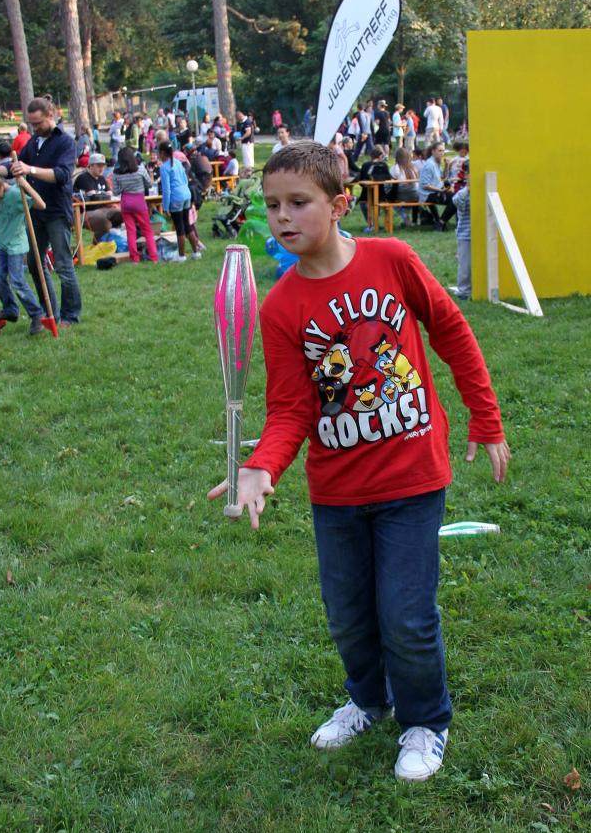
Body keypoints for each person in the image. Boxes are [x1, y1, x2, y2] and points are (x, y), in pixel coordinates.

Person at [208, 140, 510, 783]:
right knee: (348, 617)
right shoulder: (280, 306)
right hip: (338, 492)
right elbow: (291, 408)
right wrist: (261, 466)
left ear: (340, 204)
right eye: (272, 205)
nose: (283, 216)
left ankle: (425, 721)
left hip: (412, 478)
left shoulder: (393, 259)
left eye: (298, 202)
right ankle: (369, 701)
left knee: (406, 616)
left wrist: (485, 417)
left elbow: (452, 332)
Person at [0, 96, 82, 326]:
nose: (35, 128)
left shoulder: (65, 143)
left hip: (56, 211)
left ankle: (70, 315)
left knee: (63, 265)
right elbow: (14, 168)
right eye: (32, 124)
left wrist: (30, 169)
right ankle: (49, 311)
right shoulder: (34, 142)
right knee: (34, 264)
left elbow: (62, 175)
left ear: (50, 116)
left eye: (38, 123)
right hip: (35, 211)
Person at [0, 170, 46, 334]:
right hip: (1, 243)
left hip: (15, 244)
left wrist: (25, 185)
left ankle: (36, 314)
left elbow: (41, 205)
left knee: (17, 280)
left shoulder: (14, 194)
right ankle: (11, 309)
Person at [112, 146, 158, 263]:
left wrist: (124, 187)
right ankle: (154, 257)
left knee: (130, 231)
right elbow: (149, 184)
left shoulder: (116, 173)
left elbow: (115, 192)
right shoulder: (141, 170)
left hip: (126, 203)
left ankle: (134, 258)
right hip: (139, 202)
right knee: (147, 230)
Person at [158, 141, 201, 262]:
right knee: (187, 225)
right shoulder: (177, 162)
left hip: (176, 197)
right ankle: (196, 252)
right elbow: (185, 179)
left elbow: (166, 190)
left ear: (162, 153)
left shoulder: (164, 167)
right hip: (186, 195)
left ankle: (181, 256)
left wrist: (165, 207)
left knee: (179, 227)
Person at [418, 141, 456, 231]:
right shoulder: (429, 165)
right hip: (427, 194)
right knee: (455, 199)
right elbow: (424, 185)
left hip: (436, 190)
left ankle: (440, 222)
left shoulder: (436, 162)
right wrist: (440, 190)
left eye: (443, 151)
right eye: (440, 151)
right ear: (433, 151)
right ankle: (440, 223)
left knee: (457, 197)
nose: (442, 153)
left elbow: (443, 177)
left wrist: (447, 165)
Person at [358, 145, 391, 232]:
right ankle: (376, 223)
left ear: (371, 156)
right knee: (377, 201)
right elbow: (388, 179)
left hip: (366, 194)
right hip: (382, 194)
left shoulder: (365, 165)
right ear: (380, 156)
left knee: (363, 203)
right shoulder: (384, 165)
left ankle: (371, 223)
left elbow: (360, 182)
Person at [452, 165, 471, 299]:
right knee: (465, 265)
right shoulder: (463, 193)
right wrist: (468, 190)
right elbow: (457, 202)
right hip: (466, 235)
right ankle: (464, 291)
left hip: (481, 234)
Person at [389, 146, 419, 226]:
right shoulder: (413, 168)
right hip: (415, 195)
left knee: (387, 199)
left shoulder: (394, 168)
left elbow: (391, 183)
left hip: (401, 196)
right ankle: (407, 218)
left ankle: (404, 216)